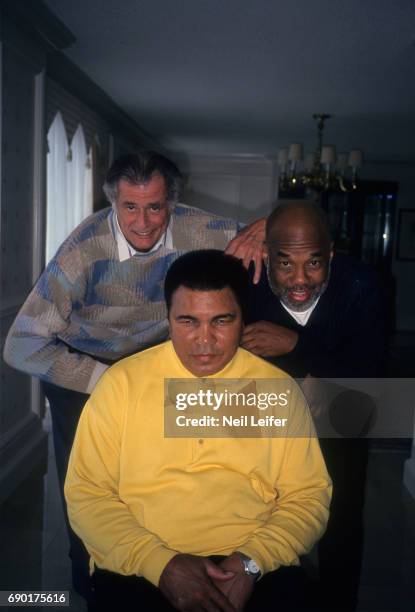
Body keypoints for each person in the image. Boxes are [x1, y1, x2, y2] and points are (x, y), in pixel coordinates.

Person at [2, 151, 265, 601]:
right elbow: (20, 345)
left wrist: (269, 225)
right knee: (88, 491)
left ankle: (163, 574)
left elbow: (291, 243)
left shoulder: (199, 228)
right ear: (112, 204)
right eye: (129, 207)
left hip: (155, 366)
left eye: (155, 207)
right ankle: (88, 586)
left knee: (156, 479)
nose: (143, 223)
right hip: (83, 371)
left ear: (172, 205)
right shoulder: (83, 249)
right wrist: (110, 382)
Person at [64, 249, 332, 612]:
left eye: (221, 321)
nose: (204, 341)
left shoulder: (279, 392)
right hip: (140, 562)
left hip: (254, 559)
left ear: (243, 319)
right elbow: (87, 495)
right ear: (168, 319)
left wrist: (250, 563)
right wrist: (161, 565)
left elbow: (309, 496)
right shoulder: (121, 385)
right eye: (188, 322)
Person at [243, 200, 387, 611]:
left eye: (315, 263)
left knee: (340, 523)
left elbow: (371, 378)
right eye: (285, 264)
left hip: (342, 428)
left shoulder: (364, 286)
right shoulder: (246, 281)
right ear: (267, 254)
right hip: (267, 428)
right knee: (265, 517)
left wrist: (297, 347)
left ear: (332, 256)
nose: (300, 280)